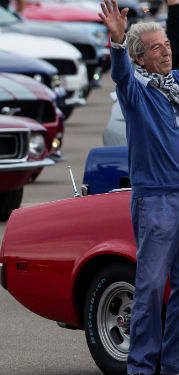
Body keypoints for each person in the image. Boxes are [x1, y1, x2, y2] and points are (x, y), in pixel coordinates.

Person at [100, 1, 179, 374]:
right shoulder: (137, 93)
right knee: (148, 288)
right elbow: (121, 77)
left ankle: (173, 364)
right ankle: (141, 367)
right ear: (141, 59)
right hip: (156, 199)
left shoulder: (175, 84)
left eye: (167, 44)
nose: (165, 51)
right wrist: (117, 44)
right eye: (156, 48)